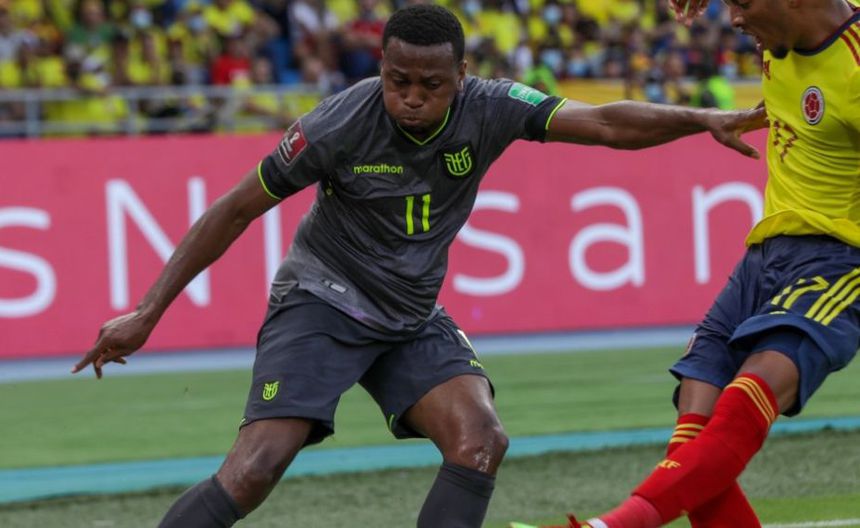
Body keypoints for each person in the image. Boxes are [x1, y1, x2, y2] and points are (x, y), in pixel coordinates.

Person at [72, 5, 765, 527]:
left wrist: (698, 118)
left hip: (409, 314)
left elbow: (608, 123)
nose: (410, 96)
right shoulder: (336, 124)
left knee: (480, 440)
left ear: (461, 77)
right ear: (380, 68)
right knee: (256, 469)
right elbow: (232, 210)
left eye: (430, 84)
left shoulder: (493, 107)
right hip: (322, 300)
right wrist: (148, 311)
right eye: (397, 80)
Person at [513, 0, 860, 526]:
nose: (735, 20)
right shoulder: (779, 37)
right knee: (692, 431)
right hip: (764, 254)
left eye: (742, 3)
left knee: (750, 393)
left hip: (837, 260)